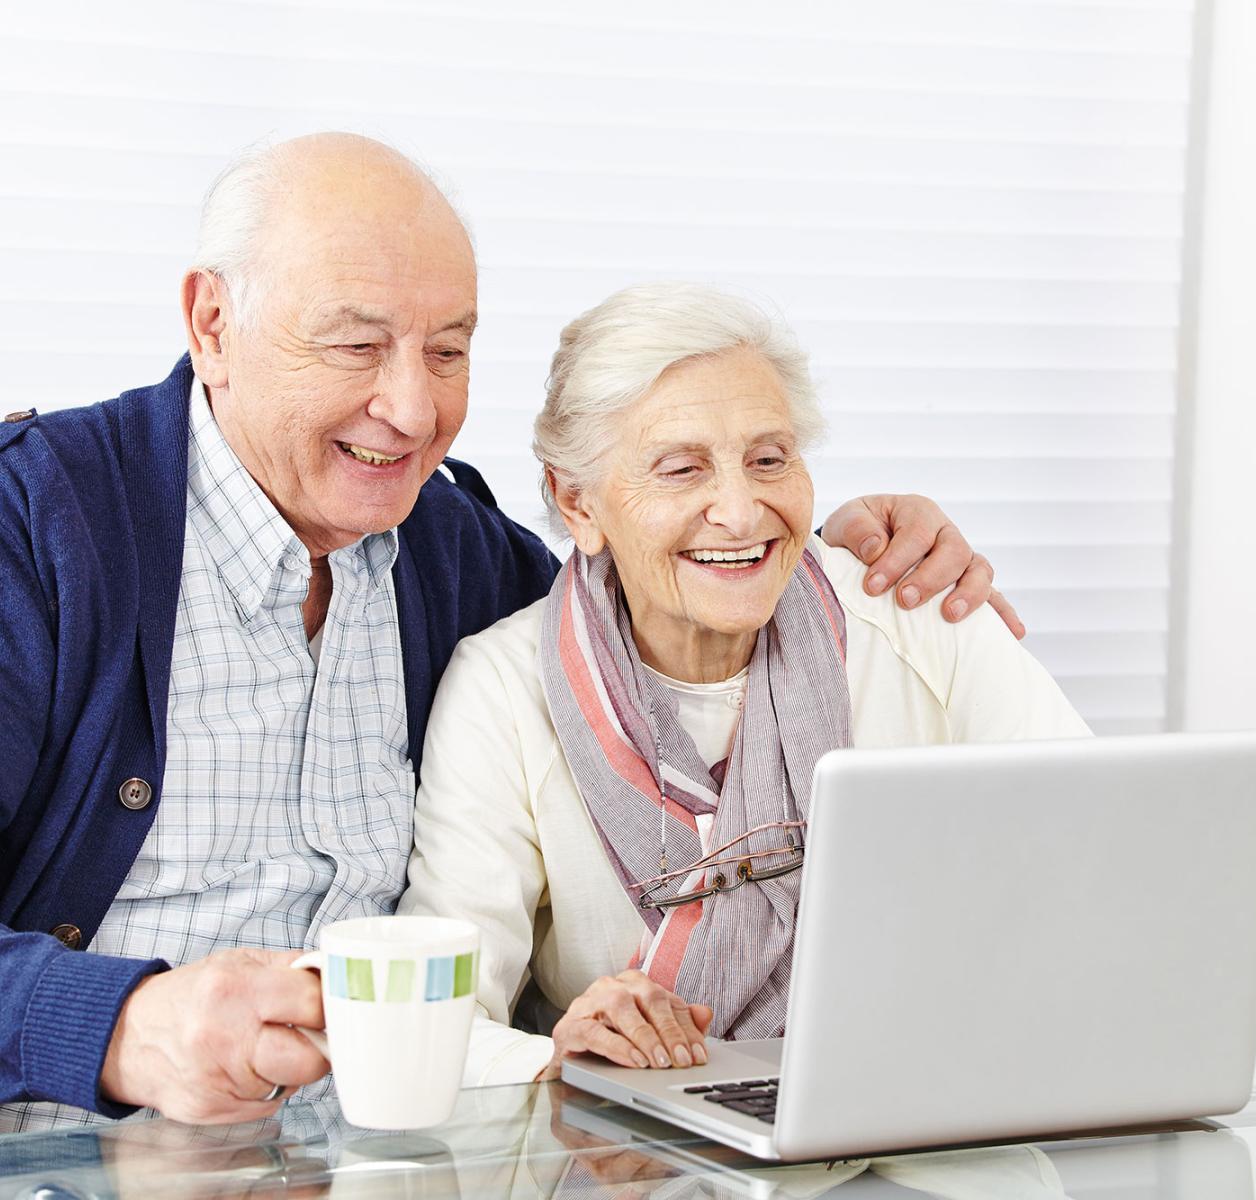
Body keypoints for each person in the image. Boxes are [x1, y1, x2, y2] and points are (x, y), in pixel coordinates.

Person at [0, 134, 1008, 1129]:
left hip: (390, 1161)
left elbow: (639, 604)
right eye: (356, 345)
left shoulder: (458, 558)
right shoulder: (35, 527)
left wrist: (818, 560)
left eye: (447, 351)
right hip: (75, 1156)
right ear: (211, 323)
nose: (411, 408)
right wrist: (118, 1025)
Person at [400, 283, 1090, 1087]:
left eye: (769, 459)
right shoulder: (502, 690)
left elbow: (1100, 864)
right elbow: (436, 1018)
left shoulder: (919, 614)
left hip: (940, 1092)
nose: (739, 509)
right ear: (576, 501)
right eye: (682, 468)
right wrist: (560, 1059)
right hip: (635, 1149)